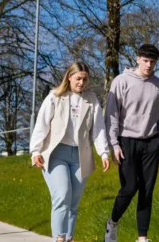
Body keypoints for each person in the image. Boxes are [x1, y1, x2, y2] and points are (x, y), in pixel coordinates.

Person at [30, 62, 110, 242]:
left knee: (73, 203)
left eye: (85, 79)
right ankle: (59, 238)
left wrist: (103, 153)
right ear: (69, 77)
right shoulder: (55, 96)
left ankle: (69, 238)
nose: (81, 83)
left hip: (81, 156)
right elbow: (41, 125)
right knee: (62, 195)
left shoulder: (91, 100)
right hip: (56, 154)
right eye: (78, 78)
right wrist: (35, 151)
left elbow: (98, 129)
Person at [104, 44, 159, 242]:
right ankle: (113, 222)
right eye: (146, 60)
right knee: (130, 187)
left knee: (147, 190)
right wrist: (114, 145)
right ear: (137, 59)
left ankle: (142, 237)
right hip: (127, 141)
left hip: (151, 142)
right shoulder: (121, 81)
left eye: (153, 62)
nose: (149, 65)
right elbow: (112, 114)